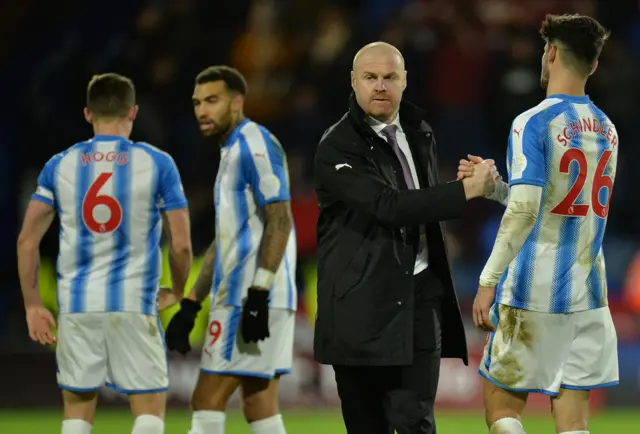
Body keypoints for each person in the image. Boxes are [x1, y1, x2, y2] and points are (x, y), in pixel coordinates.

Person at [313, 41, 497, 434]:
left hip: (418, 300)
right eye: (370, 77)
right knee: (368, 427)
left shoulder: (419, 131)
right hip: (360, 308)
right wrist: (463, 192)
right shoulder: (337, 145)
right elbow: (388, 205)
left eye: (389, 77)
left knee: (417, 424)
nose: (380, 86)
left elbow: (420, 203)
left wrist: (462, 183)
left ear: (405, 81)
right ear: (353, 81)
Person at [458, 14, 618, 434]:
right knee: (574, 423)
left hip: (535, 290)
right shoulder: (608, 129)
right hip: (589, 293)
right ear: (594, 65)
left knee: (502, 410)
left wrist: (488, 279)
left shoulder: (533, 121)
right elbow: (561, 204)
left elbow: (526, 212)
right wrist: (496, 188)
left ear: (549, 54)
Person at [16, 73, 192, 434]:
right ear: (134, 112)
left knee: (77, 413)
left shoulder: (60, 165)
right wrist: (176, 288)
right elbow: (181, 242)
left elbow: (27, 240)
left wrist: (33, 304)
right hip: (134, 304)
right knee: (148, 411)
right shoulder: (158, 163)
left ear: (87, 114)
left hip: (78, 305)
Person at [164, 65, 296, 434]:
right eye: (196, 103)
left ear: (237, 102)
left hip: (249, 296)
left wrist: (258, 294)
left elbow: (281, 219)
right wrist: (191, 303)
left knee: (206, 399)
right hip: (250, 294)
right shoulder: (231, 152)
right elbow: (226, 242)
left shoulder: (254, 144)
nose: (202, 111)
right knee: (259, 404)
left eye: (212, 101)